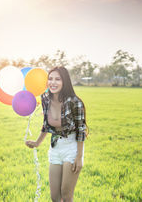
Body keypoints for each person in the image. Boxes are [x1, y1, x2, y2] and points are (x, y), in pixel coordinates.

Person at [25, 66, 89, 202]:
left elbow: (80, 130)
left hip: (71, 147)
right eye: (50, 79)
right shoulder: (45, 98)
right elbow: (46, 124)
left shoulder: (74, 102)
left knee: (66, 196)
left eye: (57, 79)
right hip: (55, 147)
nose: (53, 82)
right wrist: (37, 142)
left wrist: (79, 157)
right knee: (55, 197)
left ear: (65, 81)